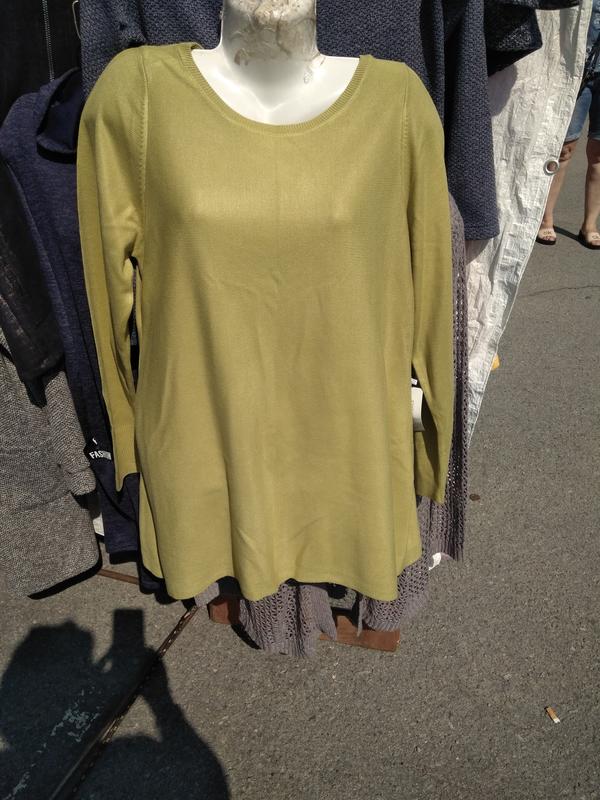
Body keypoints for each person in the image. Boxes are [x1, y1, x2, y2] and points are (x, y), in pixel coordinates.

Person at [537, 2, 600, 249]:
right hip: (577, 69)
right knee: (564, 147)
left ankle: (590, 225)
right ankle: (545, 218)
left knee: (599, 152)